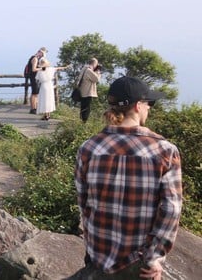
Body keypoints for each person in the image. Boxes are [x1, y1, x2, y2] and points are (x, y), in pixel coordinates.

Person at [72, 76, 182, 279]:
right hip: (138, 264)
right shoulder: (165, 151)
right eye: (149, 103)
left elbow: (83, 203)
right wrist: (155, 258)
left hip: (98, 256)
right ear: (139, 106)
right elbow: (170, 209)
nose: (149, 108)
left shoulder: (89, 148)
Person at [77, 57, 102, 123]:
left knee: (83, 107)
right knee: (86, 108)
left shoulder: (84, 69)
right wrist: (98, 71)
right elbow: (97, 79)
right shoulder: (89, 70)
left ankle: (82, 121)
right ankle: (84, 122)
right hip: (87, 92)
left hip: (83, 91)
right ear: (94, 63)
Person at [25, 47, 47, 114]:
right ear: (40, 52)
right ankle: (33, 109)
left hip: (34, 77)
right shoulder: (35, 58)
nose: (43, 55)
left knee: (35, 93)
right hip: (33, 77)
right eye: (43, 53)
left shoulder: (35, 58)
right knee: (34, 93)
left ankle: (34, 108)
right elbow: (34, 69)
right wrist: (42, 68)